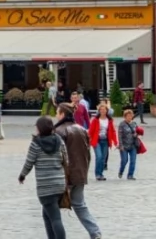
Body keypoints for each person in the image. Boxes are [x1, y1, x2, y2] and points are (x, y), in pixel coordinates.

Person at [54, 102, 102, 238]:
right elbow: (87, 154)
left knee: (51, 207)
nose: (56, 115)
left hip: (64, 175)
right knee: (80, 205)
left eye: (57, 112)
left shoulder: (59, 131)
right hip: (79, 173)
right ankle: (95, 232)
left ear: (62, 114)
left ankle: (55, 235)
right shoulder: (82, 129)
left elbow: (57, 156)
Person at [19, 116, 69, 239]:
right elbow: (66, 159)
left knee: (55, 218)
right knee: (47, 215)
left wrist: (22, 175)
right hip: (59, 184)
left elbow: (29, 162)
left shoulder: (36, 143)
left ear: (39, 128)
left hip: (45, 186)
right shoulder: (59, 140)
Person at [88, 101, 117, 180]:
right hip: (97, 140)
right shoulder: (95, 120)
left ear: (106, 110)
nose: (102, 111)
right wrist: (88, 139)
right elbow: (90, 131)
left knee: (103, 158)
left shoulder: (109, 120)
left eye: (104, 109)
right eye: (101, 109)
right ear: (99, 111)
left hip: (105, 141)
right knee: (99, 156)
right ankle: (97, 174)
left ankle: (101, 174)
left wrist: (115, 142)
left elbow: (113, 131)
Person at [116, 108, 139, 180]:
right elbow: (119, 135)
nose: (129, 117)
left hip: (133, 145)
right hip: (124, 146)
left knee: (133, 161)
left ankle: (130, 175)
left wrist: (136, 135)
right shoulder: (122, 124)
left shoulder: (134, 124)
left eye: (130, 116)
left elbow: (137, 132)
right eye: (128, 116)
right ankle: (121, 171)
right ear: (125, 117)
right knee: (124, 160)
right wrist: (121, 145)